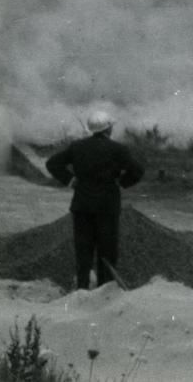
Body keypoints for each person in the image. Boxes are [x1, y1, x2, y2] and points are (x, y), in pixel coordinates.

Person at [46, 110, 145, 289]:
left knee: (83, 251)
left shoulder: (77, 147)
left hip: (82, 206)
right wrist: (121, 183)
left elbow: (52, 163)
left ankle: (82, 289)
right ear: (108, 129)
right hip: (107, 207)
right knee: (107, 251)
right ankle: (104, 290)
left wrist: (70, 180)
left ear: (92, 129)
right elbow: (137, 171)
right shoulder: (118, 149)